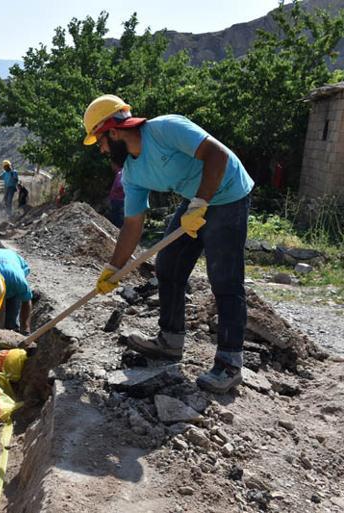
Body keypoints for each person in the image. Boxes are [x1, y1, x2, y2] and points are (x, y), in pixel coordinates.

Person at [83, 94, 254, 394]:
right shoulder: (132, 174)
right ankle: (171, 340)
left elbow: (217, 155)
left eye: (100, 141)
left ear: (112, 130)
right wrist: (114, 267)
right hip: (196, 202)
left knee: (224, 279)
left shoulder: (165, 129)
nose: (101, 149)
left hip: (228, 194)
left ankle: (229, 363)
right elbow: (132, 225)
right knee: (169, 266)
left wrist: (201, 202)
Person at [108, 162, 125, 228]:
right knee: (117, 218)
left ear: (115, 165)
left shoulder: (120, 173)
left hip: (119, 201)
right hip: (118, 201)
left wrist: (115, 192)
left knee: (118, 219)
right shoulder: (120, 173)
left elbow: (120, 185)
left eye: (112, 164)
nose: (111, 166)